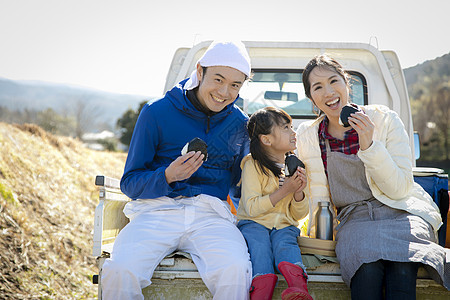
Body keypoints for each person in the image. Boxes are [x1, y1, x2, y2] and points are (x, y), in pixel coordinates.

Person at [101, 41, 253, 300]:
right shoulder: (156, 112)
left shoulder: (240, 124)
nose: (225, 92)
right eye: (218, 79)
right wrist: (167, 176)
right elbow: (130, 183)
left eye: (235, 85)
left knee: (236, 269)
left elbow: (241, 185)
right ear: (199, 71)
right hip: (156, 211)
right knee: (119, 269)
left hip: (211, 215)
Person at [296, 54, 449, 299]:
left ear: (347, 84)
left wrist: (369, 145)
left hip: (402, 213)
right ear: (312, 98)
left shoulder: (384, 119)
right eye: (318, 87)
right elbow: (314, 199)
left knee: (401, 275)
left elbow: (400, 189)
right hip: (354, 220)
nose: (329, 92)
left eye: (334, 81)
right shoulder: (308, 136)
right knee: (365, 274)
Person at [237, 106, 312, 300]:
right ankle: (261, 293)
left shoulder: (294, 165)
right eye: (286, 128)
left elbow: (298, 215)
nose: (293, 132)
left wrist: (298, 193)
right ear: (267, 139)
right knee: (260, 248)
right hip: (254, 224)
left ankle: (298, 288)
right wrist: (284, 190)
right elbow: (252, 208)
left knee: (286, 244)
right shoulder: (252, 165)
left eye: (291, 126)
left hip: (284, 226)